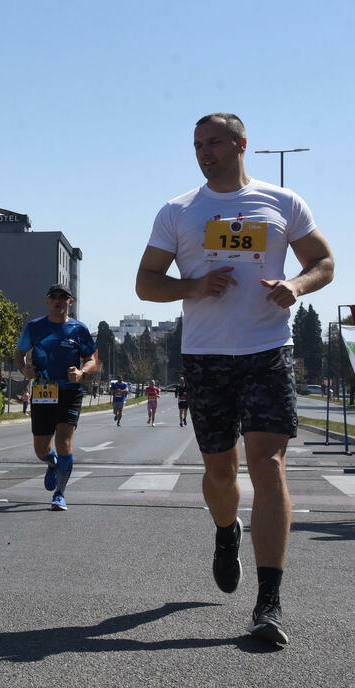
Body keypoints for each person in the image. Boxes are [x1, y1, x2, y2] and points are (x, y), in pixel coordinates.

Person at [135, 113, 334, 645]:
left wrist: (296, 284)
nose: (204, 152)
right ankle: (226, 530)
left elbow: (324, 262)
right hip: (206, 357)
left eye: (214, 142)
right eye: (197, 144)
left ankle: (268, 604)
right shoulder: (179, 210)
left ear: (241, 144)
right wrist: (192, 287)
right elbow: (145, 284)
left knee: (268, 465)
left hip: (268, 349)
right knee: (221, 473)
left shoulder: (283, 202)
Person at [14, 283, 98, 511]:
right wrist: (24, 370)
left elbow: (91, 360)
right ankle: (51, 464)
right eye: (54, 297)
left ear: (71, 302)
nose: (58, 300)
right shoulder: (34, 327)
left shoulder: (79, 329)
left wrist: (81, 373)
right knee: (41, 449)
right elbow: (19, 353)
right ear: (48, 301)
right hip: (43, 391)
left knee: (63, 441)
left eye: (63, 297)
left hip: (70, 392)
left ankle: (60, 494)